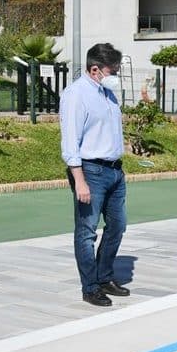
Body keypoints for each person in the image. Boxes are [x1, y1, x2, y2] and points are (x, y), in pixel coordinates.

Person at [60, 42, 130, 307]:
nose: (116, 76)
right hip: (90, 171)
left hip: (114, 171)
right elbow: (70, 142)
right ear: (95, 69)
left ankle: (104, 277)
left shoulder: (107, 94)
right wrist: (79, 180)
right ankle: (90, 286)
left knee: (118, 226)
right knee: (87, 231)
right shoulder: (76, 95)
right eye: (113, 71)